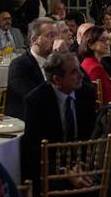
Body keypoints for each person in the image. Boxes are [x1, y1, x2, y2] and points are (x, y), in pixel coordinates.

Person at [20, 52, 96, 182]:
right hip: (52, 169)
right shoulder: (36, 101)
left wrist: (81, 166)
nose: (81, 75)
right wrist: (64, 172)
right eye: (74, 72)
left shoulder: (86, 93)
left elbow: (91, 135)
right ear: (57, 80)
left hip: (83, 162)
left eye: (79, 69)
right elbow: (33, 150)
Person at [6, 17, 56, 119]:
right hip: (26, 122)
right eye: (50, 36)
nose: (55, 40)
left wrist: (65, 55)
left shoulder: (59, 62)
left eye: (56, 36)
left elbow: (85, 85)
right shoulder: (19, 65)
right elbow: (36, 98)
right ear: (34, 40)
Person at [78, 26, 111, 105]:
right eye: (103, 40)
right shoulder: (95, 68)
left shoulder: (87, 62)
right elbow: (105, 98)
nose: (108, 43)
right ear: (91, 45)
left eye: (108, 39)